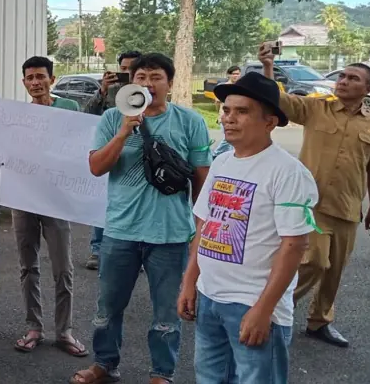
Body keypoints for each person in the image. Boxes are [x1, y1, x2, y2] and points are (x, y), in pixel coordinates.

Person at [71, 53, 211, 384]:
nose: (148, 84)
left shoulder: (190, 121)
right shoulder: (110, 119)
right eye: (141, 77)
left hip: (171, 233)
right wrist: (122, 133)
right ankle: (104, 364)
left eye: (156, 77)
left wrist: (197, 229)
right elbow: (96, 168)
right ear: (131, 82)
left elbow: (202, 180)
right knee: (107, 309)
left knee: (166, 314)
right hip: (120, 231)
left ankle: (162, 373)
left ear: (171, 83)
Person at [178, 72, 318, 384]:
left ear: (270, 122)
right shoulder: (223, 162)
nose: (229, 118)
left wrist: (263, 309)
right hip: (210, 297)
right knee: (209, 378)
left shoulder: (288, 173)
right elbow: (205, 223)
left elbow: (294, 246)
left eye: (242, 112)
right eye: (226, 110)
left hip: (253, 303)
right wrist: (190, 281)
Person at [259, 44, 370, 348]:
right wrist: (269, 66)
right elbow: (279, 99)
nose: (343, 81)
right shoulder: (316, 108)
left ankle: (320, 322)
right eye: (343, 76)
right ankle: (272, 308)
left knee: (334, 271)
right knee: (315, 262)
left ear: (367, 88)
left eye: (353, 78)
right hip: (312, 204)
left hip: (348, 207)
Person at [0, 56, 87, 357]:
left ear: (51, 78)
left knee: (63, 268)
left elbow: (79, 146)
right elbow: (0, 146)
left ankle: (65, 330)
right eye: (30, 77)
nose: (36, 82)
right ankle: (34, 326)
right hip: (23, 198)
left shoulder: (69, 109)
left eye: (41, 76)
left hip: (56, 199)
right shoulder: (14, 115)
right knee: (28, 266)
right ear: (23, 82)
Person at [84, 50, 142, 270]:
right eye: (123, 68)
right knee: (100, 203)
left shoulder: (143, 93)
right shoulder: (110, 91)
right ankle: (97, 249)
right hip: (105, 149)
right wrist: (102, 90)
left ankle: (136, 250)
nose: (126, 72)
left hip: (133, 153)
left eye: (131, 69)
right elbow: (88, 113)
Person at [211, 65, 242, 159]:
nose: (236, 76)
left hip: (237, 118)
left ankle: (231, 157)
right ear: (229, 75)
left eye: (238, 74)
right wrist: (219, 116)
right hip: (224, 117)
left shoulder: (241, 87)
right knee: (228, 138)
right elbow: (217, 102)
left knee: (234, 138)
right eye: (234, 74)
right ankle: (215, 154)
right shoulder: (222, 87)